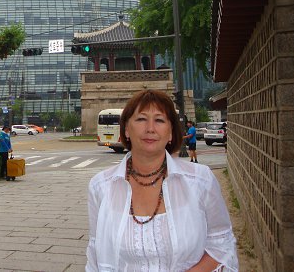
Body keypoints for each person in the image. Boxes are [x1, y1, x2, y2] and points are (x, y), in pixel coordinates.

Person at [86, 89, 238, 271]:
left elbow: (222, 244)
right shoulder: (101, 186)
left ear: (171, 132)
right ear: (126, 129)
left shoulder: (200, 181)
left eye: (159, 120)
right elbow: (95, 252)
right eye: (141, 119)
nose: (150, 128)